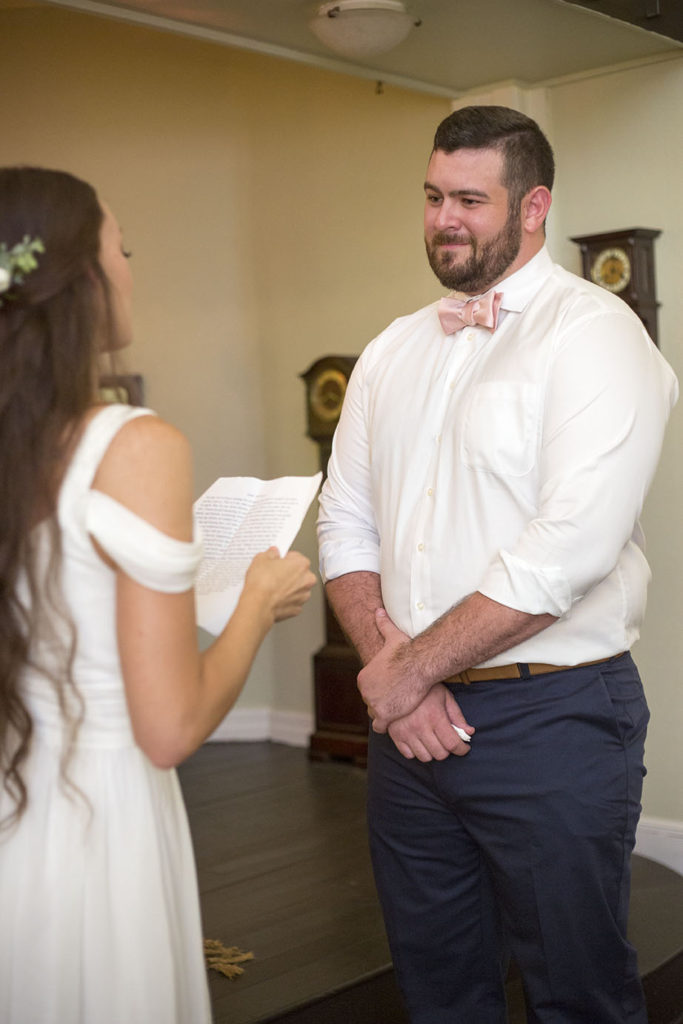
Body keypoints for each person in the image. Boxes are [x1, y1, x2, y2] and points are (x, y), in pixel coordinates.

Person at [317, 105, 678, 1023]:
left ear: (532, 206)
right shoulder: (391, 351)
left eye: (470, 199)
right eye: (433, 196)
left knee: (578, 993)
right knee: (436, 986)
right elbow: (345, 525)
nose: (444, 218)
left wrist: (401, 672)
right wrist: (400, 676)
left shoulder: (595, 335)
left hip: (551, 717)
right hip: (410, 734)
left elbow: (569, 551)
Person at [0, 166, 316, 1024]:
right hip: (95, 828)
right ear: (81, 279)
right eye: (121, 246)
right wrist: (254, 599)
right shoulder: (131, 444)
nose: (132, 266)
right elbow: (169, 728)